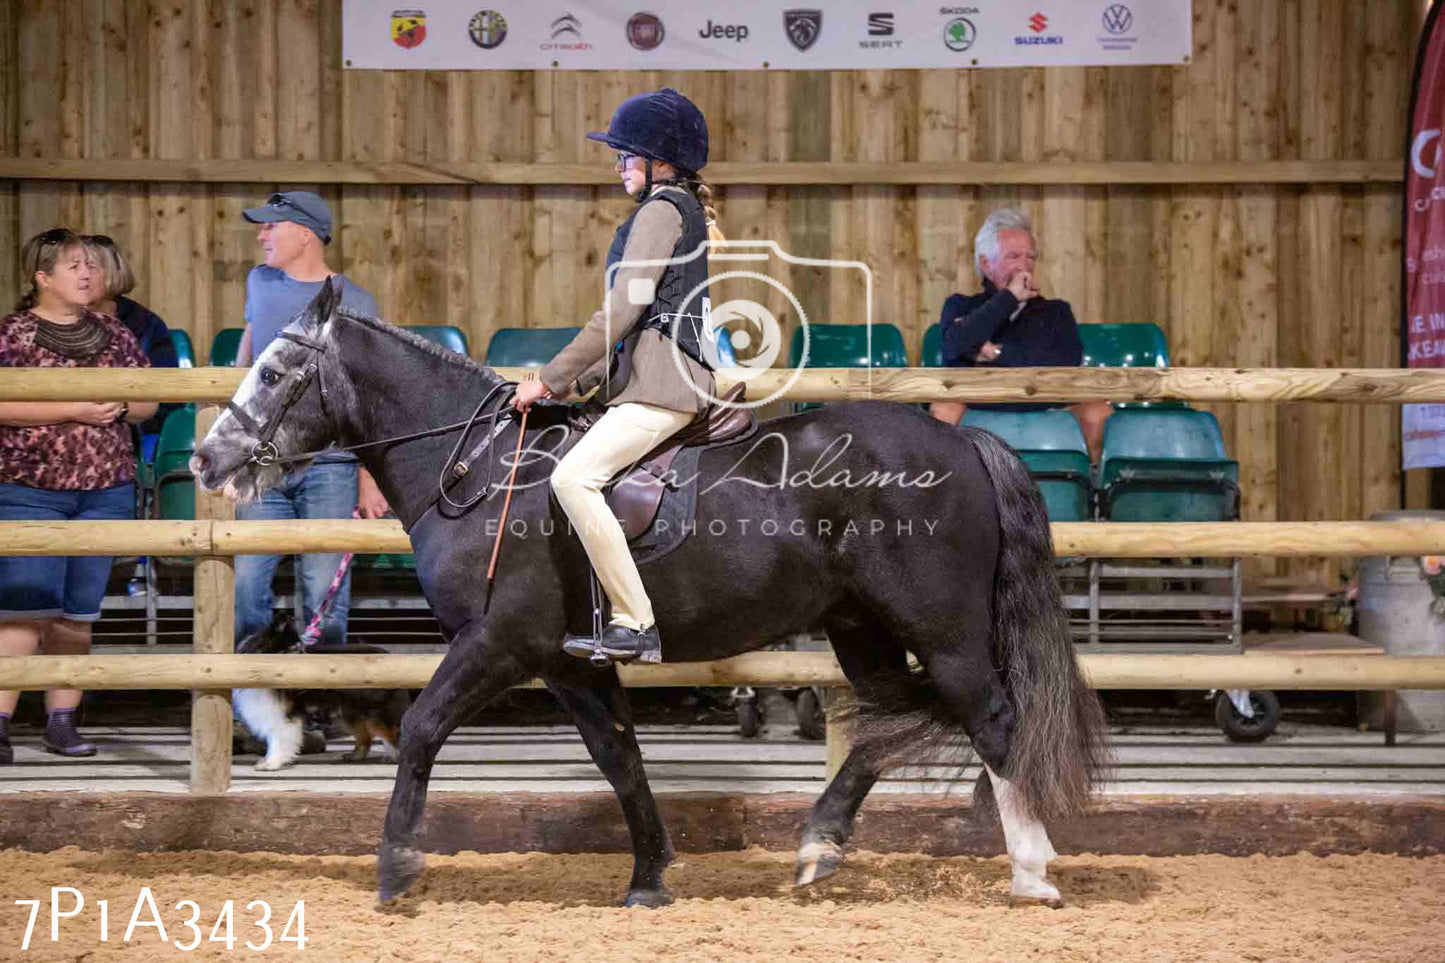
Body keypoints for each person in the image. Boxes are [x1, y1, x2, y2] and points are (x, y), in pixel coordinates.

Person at [512, 88, 724, 667]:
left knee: (573, 479)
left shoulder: (661, 210)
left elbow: (624, 313)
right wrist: (581, 388)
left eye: (626, 155)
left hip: (665, 386)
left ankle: (636, 620)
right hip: (649, 379)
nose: (618, 166)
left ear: (660, 161)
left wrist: (550, 380)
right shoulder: (674, 208)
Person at [0, 227, 157, 763]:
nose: (87, 274)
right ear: (42, 277)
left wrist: (115, 408)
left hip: (104, 487)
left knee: (77, 613)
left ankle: (62, 721)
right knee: (21, 610)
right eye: (72, 266)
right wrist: (72, 409)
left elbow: (146, 404)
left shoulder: (116, 335)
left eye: (90, 265)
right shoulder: (12, 334)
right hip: (27, 486)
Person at [232, 191, 388, 658]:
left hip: (330, 465)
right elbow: (249, 351)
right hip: (263, 463)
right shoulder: (258, 282)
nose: (261, 236)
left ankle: (319, 700)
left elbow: (365, 392)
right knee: (245, 581)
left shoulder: (354, 299)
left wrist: (367, 474)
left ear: (303, 234)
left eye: (270, 227)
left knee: (324, 588)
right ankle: (251, 697)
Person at [930, 207, 1113, 462]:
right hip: (983, 400)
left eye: (1030, 257)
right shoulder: (961, 306)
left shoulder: (1056, 312)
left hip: (1045, 400)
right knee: (942, 409)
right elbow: (954, 348)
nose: (1024, 266)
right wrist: (1010, 298)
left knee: (1097, 411)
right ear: (985, 264)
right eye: (1013, 256)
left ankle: (1090, 494)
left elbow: (1065, 363)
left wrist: (994, 352)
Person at [83, 234, 180, 436]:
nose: (82, 276)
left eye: (90, 267)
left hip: (131, 428)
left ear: (111, 272)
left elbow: (169, 395)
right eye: (74, 268)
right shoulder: (56, 320)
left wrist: (122, 411)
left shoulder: (145, 324)